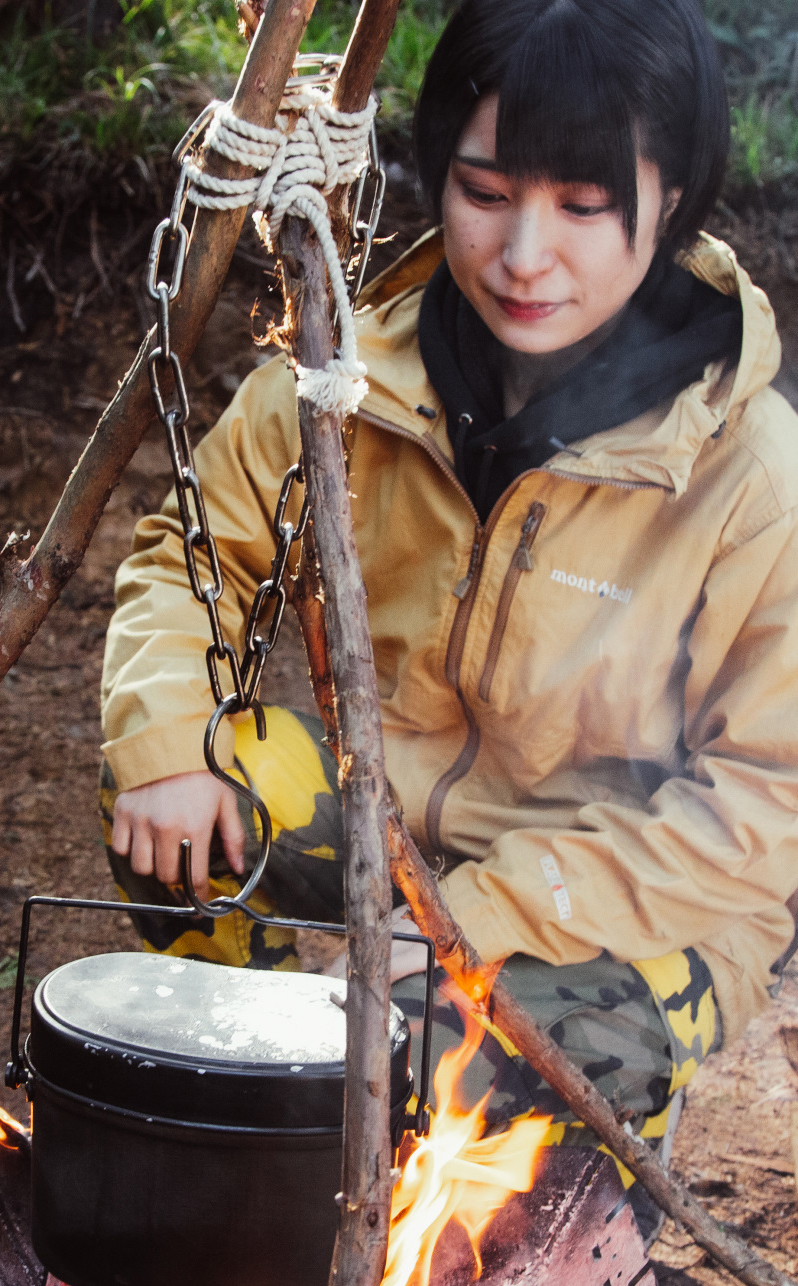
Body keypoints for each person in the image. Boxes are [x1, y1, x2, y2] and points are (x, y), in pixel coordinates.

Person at [97, 0, 798, 1220]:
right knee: (177, 789)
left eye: (584, 208)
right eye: (485, 192)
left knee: (461, 1072)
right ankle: (248, 1098)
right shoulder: (347, 375)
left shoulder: (749, 476)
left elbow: (764, 809)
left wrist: (471, 922)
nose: (525, 255)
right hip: (397, 828)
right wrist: (165, 745)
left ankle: (532, 1209)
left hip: (630, 894)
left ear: (671, 198)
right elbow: (189, 557)